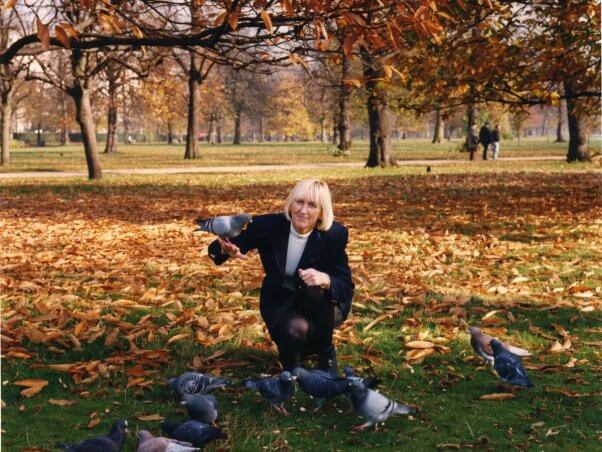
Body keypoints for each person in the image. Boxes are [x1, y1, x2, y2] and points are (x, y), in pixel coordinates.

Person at [207, 179, 354, 374]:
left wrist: (326, 279)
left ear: (321, 212)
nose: (303, 210)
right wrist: (227, 250)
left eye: (312, 205)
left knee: (313, 285)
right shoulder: (267, 225)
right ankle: (291, 363)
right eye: (299, 202)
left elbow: (345, 286)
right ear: (290, 204)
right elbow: (218, 249)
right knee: (296, 330)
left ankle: (326, 353)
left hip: (320, 306)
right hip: (280, 301)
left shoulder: (334, 234)